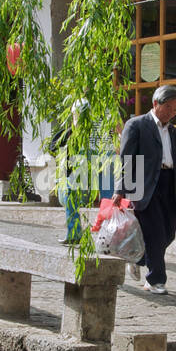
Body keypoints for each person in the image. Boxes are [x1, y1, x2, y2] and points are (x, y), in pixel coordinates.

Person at [113, 85, 176, 294]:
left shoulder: (174, 133)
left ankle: (136, 257)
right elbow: (127, 159)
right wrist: (121, 189)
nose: (172, 113)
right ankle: (156, 280)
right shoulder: (136, 125)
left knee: (168, 233)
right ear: (156, 104)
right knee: (154, 234)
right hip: (143, 185)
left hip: (167, 184)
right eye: (169, 108)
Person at [53, 99, 116, 244]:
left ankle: (74, 233)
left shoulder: (80, 102)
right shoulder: (106, 104)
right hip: (105, 153)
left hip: (85, 153)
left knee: (71, 192)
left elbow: (77, 126)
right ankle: (107, 237)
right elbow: (119, 130)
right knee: (107, 197)